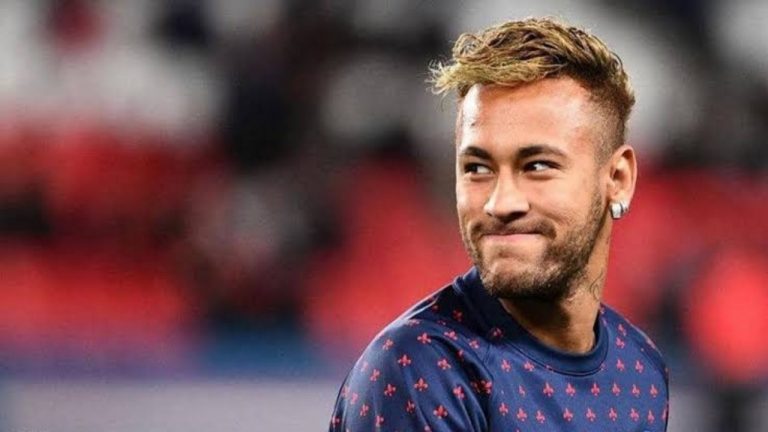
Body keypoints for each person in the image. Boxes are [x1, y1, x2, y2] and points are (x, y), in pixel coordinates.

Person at [328, 17, 669, 431]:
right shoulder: (423, 369)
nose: (500, 203)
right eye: (477, 168)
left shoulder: (641, 372)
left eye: (537, 165)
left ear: (617, 179)